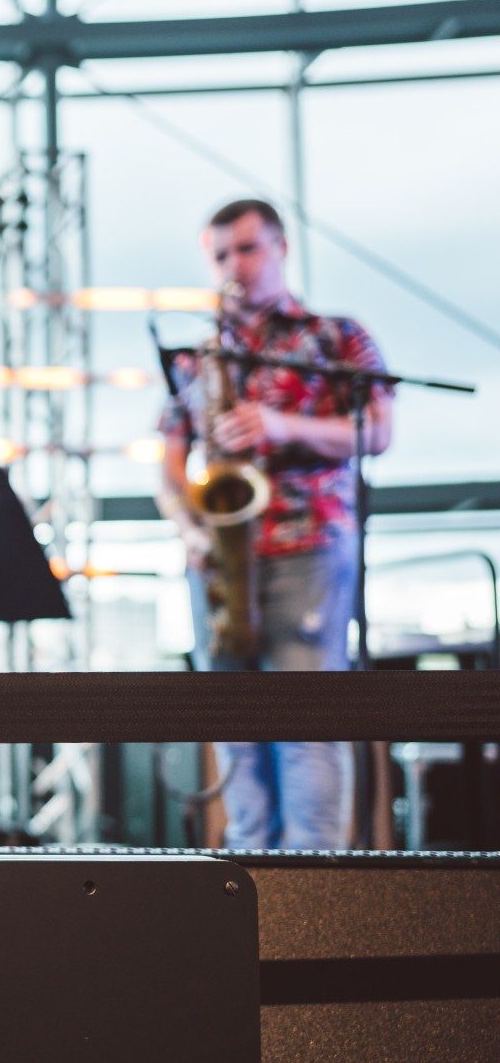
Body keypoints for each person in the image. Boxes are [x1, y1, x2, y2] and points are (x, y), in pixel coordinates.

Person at [154, 198, 393, 849]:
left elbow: (378, 430)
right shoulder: (199, 355)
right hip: (222, 560)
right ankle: (249, 886)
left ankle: (313, 897)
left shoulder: (336, 336)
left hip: (306, 546)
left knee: (305, 725)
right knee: (236, 730)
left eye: (248, 248)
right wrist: (193, 529)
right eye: (222, 254)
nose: (236, 264)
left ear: (282, 247)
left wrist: (283, 425)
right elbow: (170, 463)